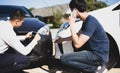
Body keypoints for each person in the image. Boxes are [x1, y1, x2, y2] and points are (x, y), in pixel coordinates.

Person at [60, 0, 109, 73]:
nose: (70, 13)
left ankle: (96, 69)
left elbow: (77, 44)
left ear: (75, 10)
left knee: (63, 58)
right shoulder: (87, 20)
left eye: (71, 11)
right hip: (98, 53)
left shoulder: (90, 22)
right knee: (73, 47)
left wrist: (72, 25)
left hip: (98, 56)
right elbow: (78, 36)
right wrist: (63, 39)